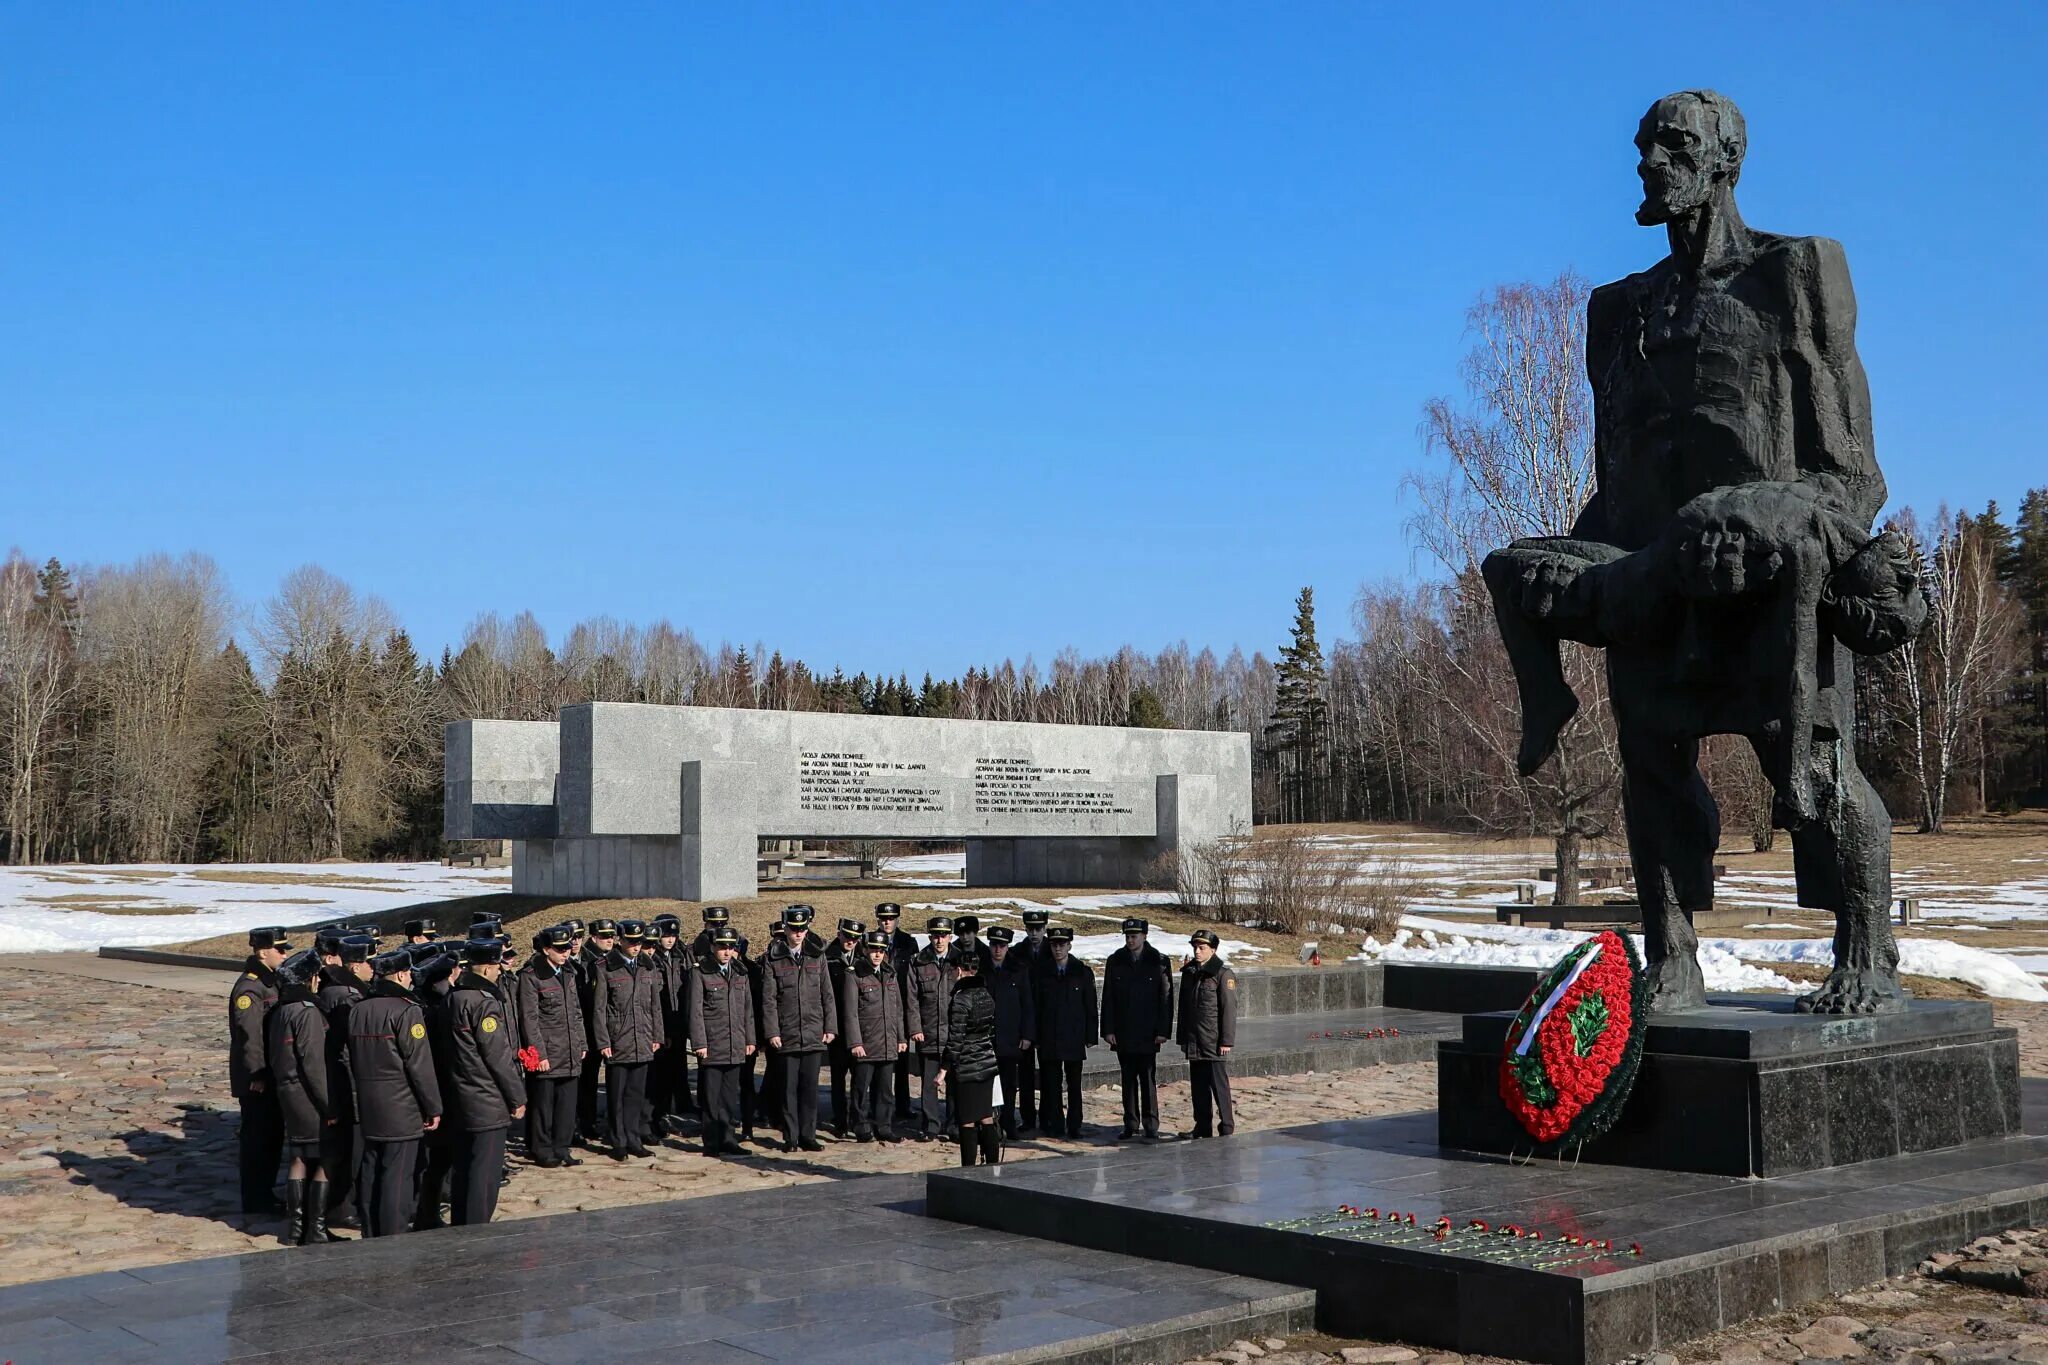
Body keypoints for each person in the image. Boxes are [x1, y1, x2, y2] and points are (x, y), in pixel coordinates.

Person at [347, 949, 442, 1237]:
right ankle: (393, 1234)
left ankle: (371, 1228)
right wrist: (433, 1106)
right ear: (401, 974)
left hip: (368, 1102)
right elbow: (419, 1065)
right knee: (397, 1176)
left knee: (371, 1169)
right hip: (401, 1106)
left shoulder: (359, 1009)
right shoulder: (407, 1011)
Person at [441, 940, 526, 1225]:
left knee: (465, 1165)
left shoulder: (454, 997)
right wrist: (517, 1096)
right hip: (486, 1097)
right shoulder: (482, 1002)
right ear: (489, 967)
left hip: (461, 1092)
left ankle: (462, 1221)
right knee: (485, 1170)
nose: (500, 972)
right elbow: (497, 1056)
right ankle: (477, 1228)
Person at [264, 949, 334, 1245]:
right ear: (310, 979)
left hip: (287, 1092)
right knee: (325, 1159)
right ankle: (315, 1228)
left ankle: (295, 1228)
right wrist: (328, 1105)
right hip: (308, 1095)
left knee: (298, 1156)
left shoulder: (280, 1010)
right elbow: (313, 1063)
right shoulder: (307, 1012)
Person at [762, 905, 836, 1153]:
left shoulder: (817, 956)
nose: (798, 933)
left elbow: (828, 995)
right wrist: (772, 1032)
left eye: (802, 929)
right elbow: (769, 1000)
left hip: (813, 1032)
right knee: (788, 1090)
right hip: (787, 1034)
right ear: (785, 929)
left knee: (809, 1090)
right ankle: (790, 1137)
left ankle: (808, 1135)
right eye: (793, 929)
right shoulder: (774, 959)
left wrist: (830, 1027)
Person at [313, 933, 373, 1232]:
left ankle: (346, 1203)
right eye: (366, 963)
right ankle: (340, 1206)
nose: (371, 968)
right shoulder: (343, 994)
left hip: (348, 1075)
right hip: (346, 1077)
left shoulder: (343, 989)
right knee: (349, 1150)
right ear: (355, 966)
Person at [229, 926, 291, 1214]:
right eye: (280, 949)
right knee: (257, 1141)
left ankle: (264, 1192)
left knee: (271, 1138)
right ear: (263, 951)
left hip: (269, 1074)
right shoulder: (250, 987)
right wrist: (257, 1073)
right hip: (258, 1078)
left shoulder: (269, 982)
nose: (284, 953)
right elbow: (250, 1036)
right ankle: (256, 1198)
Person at [515, 924, 585, 1169]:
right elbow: (529, 1019)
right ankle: (541, 1148)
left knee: (566, 1104)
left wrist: (581, 1042)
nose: (566, 953)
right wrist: (539, 1053)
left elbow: (576, 1012)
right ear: (546, 950)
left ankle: (561, 1146)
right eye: (560, 949)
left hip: (569, 1048)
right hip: (547, 1051)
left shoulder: (568, 973)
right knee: (543, 1104)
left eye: (567, 947)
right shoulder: (531, 976)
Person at [595, 919, 664, 1159]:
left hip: (643, 1038)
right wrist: (603, 1041)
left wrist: (657, 1035)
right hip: (618, 1040)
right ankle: (618, 1140)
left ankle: (634, 1138)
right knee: (617, 1096)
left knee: (636, 1094)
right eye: (631, 942)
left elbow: (655, 1005)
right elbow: (599, 1008)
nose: (636, 947)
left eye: (639, 942)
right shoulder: (605, 967)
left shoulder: (648, 966)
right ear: (620, 940)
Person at [1101, 917, 1173, 1141]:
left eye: (1134, 936)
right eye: (1128, 936)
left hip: (1148, 1032)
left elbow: (1166, 999)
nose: (1130, 940)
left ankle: (1151, 1124)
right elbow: (1108, 997)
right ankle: (1130, 1123)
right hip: (1124, 1030)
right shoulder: (1116, 960)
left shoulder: (1158, 961)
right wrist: (1108, 1029)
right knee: (1127, 1079)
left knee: (1147, 1077)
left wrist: (1163, 1030)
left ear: (1144, 936)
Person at [689, 926, 756, 1157]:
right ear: (713, 947)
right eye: (722, 947)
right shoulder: (701, 972)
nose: (726, 952)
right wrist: (700, 1043)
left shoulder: (740, 972)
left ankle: (728, 1138)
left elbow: (748, 1010)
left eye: (730, 947)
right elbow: (696, 1011)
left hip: (735, 1043)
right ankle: (711, 1142)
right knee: (711, 1097)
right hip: (713, 1043)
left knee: (728, 1097)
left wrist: (750, 1039)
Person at [840, 929, 907, 1143]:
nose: (877, 954)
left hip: (887, 1041)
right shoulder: (855, 974)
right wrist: (855, 1042)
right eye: (873, 950)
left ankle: (884, 1126)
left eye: (881, 950)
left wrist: (901, 1038)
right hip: (866, 1043)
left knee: (885, 1090)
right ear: (866, 949)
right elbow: (849, 1012)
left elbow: (897, 1009)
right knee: (861, 1089)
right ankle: (861, 1126)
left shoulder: (890, 973)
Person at [1033, 927, 1097, 1139]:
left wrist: (1090, 1036)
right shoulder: (1042, 972)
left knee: (1074, 1084)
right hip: (1049, 1036)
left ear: (1069, 945)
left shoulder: (1082, 972)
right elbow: (1036, 1007)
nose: (1058, 948)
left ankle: (1074, 1123)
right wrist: (1036, 1037)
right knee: (1051, 1084)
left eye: (1062, 944)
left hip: (1073, 1036)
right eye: (1054, 944)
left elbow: (1090, 1006)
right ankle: (1055, 1123)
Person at [943, 945, 1003, 1167]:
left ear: (959, 970)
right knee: (986, 1115)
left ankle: (968, 1170)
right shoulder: (986, 995)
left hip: (967, 1065)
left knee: (967, 1120)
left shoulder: (961, 999)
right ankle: (993, 1165)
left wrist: (944, 1068)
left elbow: (956, 1038)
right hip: (987, 1062)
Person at [1177, 930, 1237, 1139]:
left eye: (1202, 948)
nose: (1197, 951)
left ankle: (1227, 1126)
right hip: (1194, 1039)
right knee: (1198, 1087)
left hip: (1213, 1040)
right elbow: (1184, 1009)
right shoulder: (1190, 972)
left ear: (1213, 950)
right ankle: (1202, 1126)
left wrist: (1226, 1040)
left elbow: (1228, 1009)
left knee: (1219, 1086)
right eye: (1195, 947)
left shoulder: (1222, 974)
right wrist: (1183, 1038)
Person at [905, 916, 955, 1142]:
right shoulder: (919, 961)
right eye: (935, 935)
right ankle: (931, 1125)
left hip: (954, 1034)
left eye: (943, 935)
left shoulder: (959, 960)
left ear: (950, 937)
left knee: (955, 1083)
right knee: (929, 1084)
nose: (939, 940)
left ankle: (954, 1124)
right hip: (928, 1031)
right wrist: (915, 1027)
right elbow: (912, 999)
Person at [984, 927, 1035, 1139]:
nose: (998, 949)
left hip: (1010, 1037)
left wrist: (1027, 1035)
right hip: (987, 1039)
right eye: (995, 945)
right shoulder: (982, 969)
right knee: (987, 1083)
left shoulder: (1018, 970)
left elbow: (1027, 1005)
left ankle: (1008, 1121)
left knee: (1009, 1084)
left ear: (1008, 947)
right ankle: (989, 1124)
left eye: (1002, 945)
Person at [1007, 907, 1052, 1132]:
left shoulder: (1052, 950)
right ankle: (1027, 1117)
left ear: (1045, 928)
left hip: (1045, 1020)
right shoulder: (1017, 952)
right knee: (1024, 1072)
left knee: (1047, 1071)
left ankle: (1046, 1116)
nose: (1034, 933)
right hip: (1024, 1019)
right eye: (1030, 929)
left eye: (1038, 929)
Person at [873, 903, 918, 1124]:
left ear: (897, 919)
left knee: (902, 1059)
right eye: (883, 918)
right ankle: (877, 1104)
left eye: (891, 918)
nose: (886, 922)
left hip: (901, 1004)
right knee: (877, 1059)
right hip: (877, 1005)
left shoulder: (908, 942)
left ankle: (903, 1104)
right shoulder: (871, 941)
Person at [575, 918, 617, 1146]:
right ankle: (585, 1122)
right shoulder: (588, 961)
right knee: (587, 1080)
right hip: (588, 1028)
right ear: (593, 938)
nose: (609, 940)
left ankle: (596, 1120)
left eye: (612, 936)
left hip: (606, 1028)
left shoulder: (608, 958)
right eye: (604, 937)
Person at [647, 913, 688, 1143]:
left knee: (676, 1072)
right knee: (659, 1077)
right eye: (666, 935)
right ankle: (656, 1117)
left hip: (677, 1023)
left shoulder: (681, 956)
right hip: (659, 1025)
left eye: (674, 935)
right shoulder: (653, 959)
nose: (670, 940)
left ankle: (671, 1112)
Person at [823, 917, 865, 1138]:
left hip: (859, 1028)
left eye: (855, 938)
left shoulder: (863, 957)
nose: (850, 941)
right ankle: (840, 1120)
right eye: (847, 936)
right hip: (837, 1027)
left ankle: (858, 1120)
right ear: (839, 934)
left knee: (860, 1079)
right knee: (838, 1079)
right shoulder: (827, 956)